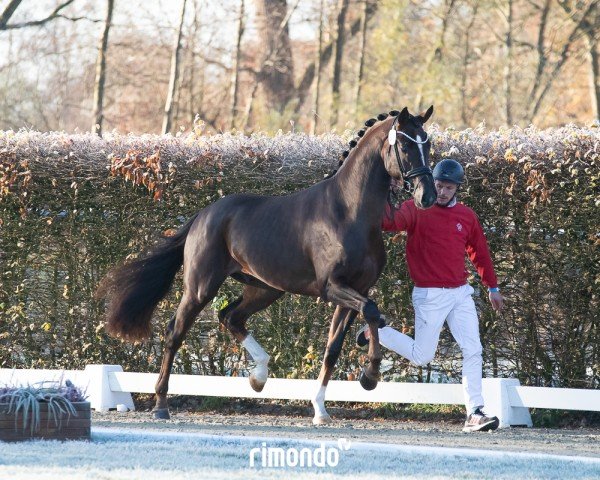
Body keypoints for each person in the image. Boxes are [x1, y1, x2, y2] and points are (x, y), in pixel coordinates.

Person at [356, 158, 504, 433]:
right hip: (429, 295)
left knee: (473, 349)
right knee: (422, 356)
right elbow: (388, 222)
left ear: (457, 187)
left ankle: (474, 413)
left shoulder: (467, 216)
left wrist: (492, 287)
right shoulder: (415, 209)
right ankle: (376, 333)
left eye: (449, 187)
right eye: (439, 185)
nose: (443, 191)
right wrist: (386, 190)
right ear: (432, 184)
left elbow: (479, 252)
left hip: (460, 293)